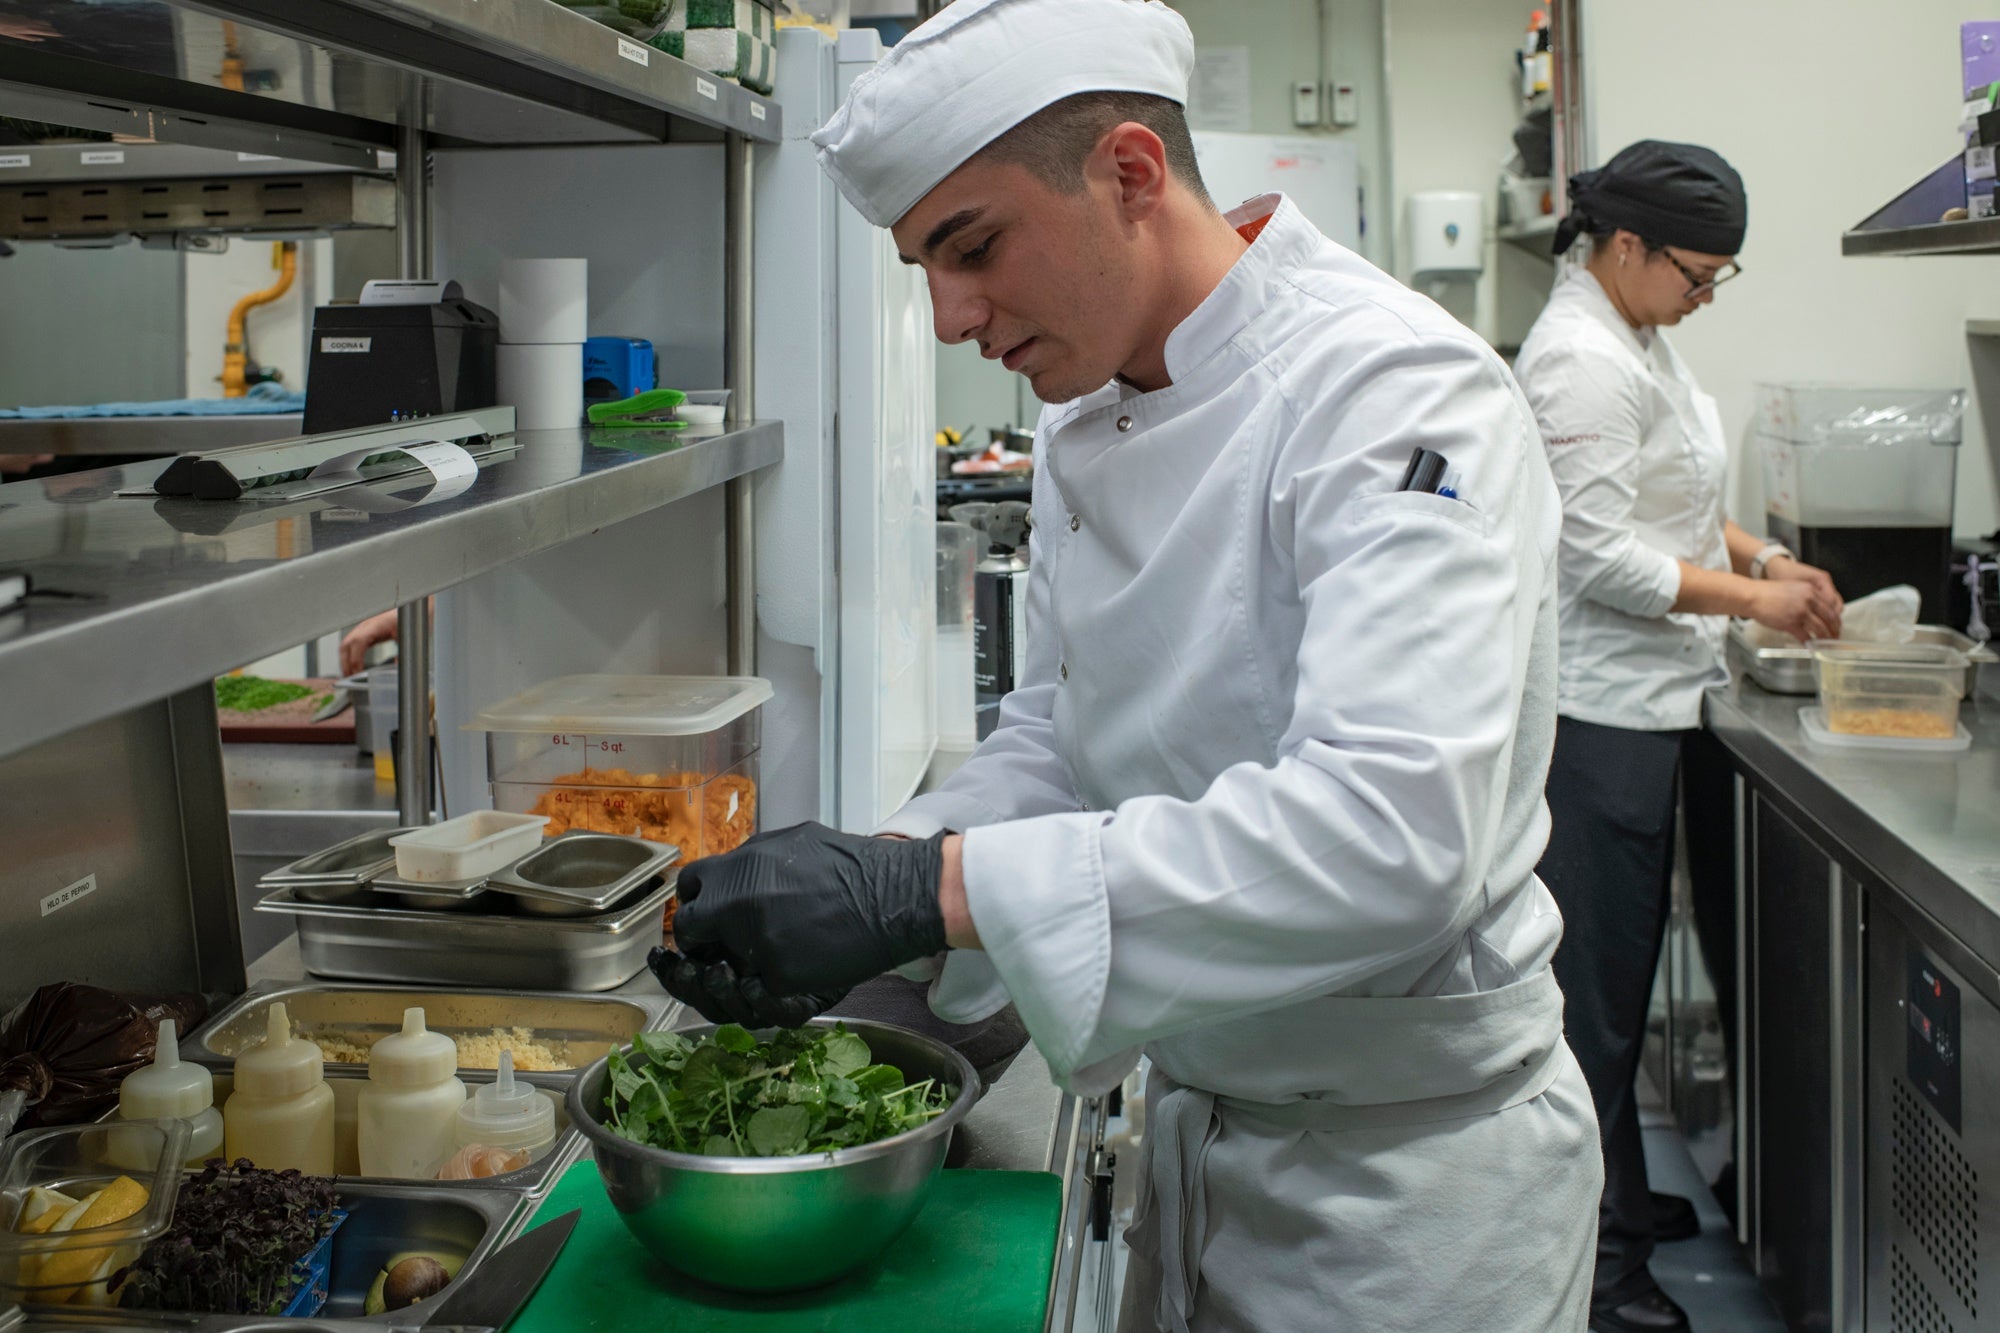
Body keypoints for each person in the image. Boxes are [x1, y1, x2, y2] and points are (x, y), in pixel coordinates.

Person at [652, 1, 1600, 1327]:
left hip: (1408, 1192)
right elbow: (1059, 728)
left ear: (1133, 174)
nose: (948, 317)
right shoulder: (1090, 406)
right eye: (921, 264)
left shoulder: (1394, 394)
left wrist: (928, 892)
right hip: (1198, 1118)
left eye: (972, 247)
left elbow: (1392, 835)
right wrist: (888, 898)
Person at [1513, 140, 1843, 1333]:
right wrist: (1752, 601)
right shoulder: (1577, 363)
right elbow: (1592, 554)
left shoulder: (1635, 338)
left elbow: (1675, 498)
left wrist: (1755, 553)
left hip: (1652, 705)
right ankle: (1597, 1281)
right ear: (1624, 248)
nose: (1706, 294)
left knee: (1620, 986)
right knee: (1592, 1008)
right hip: (1597, 719)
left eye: (1720, 278)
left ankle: (1625, 1205)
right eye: (1696, 273)